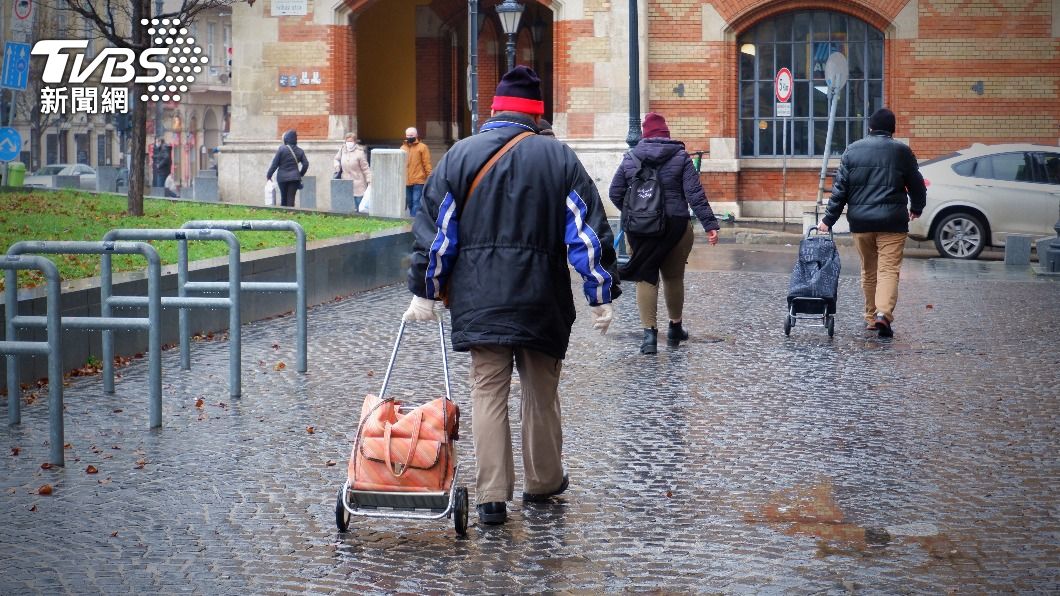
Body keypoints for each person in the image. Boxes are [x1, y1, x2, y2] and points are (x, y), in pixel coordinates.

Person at [403, 65, 621, 526]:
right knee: (542, 393)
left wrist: (426, 289)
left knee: (487, 391)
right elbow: (586, 232)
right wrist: (599, 291)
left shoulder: (459, 156)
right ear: (537, 116)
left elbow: (437, 234)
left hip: (480, 297)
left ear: (496, 109)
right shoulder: (559, 158)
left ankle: (491, 497)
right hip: (542, 297)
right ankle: (542, 482)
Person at [608, 112, 720, 355]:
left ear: (645, 136)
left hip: (640, 229)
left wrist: (635, 212)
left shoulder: (631, 158)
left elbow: (615, 192)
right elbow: (694, 194)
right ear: (666, 134)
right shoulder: (680, 157)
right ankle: (675, 328)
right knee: (673, 277)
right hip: (676, 227)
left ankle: (649, 336)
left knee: (645, 276)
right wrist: (710, 224)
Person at [816, 108, 926, 338]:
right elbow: (917, 184)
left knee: (869, 270)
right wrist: (916, 208)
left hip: (861, 222)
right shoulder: (902, 152)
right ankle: (882, 315)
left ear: (870, 127)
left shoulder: (852, 151)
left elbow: (840, 190)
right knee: (888, 270)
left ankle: (870, 317)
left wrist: (828, 220)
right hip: (893, 222)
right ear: (893, 130)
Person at [266, 129, 309, 208]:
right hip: (294, 178)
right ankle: (291, 215)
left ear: (286, 139)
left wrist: (269, 175)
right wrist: (300, 174)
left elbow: (274, 164)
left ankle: (284, 216)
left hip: (282, 178)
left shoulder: (281, 149)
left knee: (284, 198)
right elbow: (306, 164)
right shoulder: (300, 151)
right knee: (291, 199)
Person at [333, 132, 371, 211]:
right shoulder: (342, 150)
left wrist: (369, 180)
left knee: (359, 207)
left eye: (351, 141)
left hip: (358, 184)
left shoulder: (360, 153)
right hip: (346, 182)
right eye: (347, 141)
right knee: (347, 207)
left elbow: (365, 168)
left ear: (355, 142)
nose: (349, 143)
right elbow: (336, 159)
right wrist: (337, 166)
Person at [401, 126, 431, 217]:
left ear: (416, 135)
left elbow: (427, 163)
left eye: (411, 135)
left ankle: (414, 222)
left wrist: (430, 176)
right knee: (409, 201)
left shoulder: (422, 147)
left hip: (419, 180)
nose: (409, 137)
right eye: (408, 135)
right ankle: (413, 218)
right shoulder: (402, 148)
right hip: (406, 180)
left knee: (416, 202)